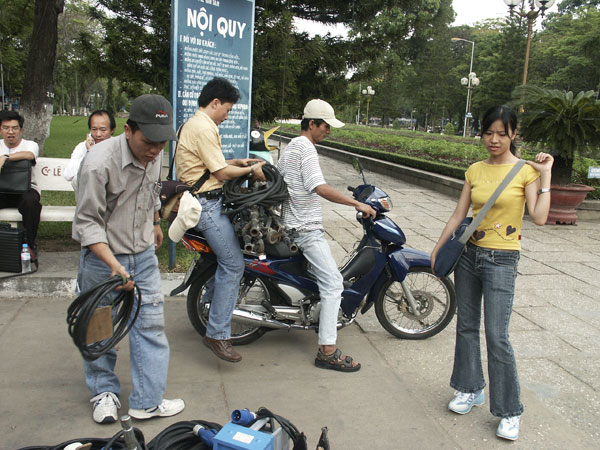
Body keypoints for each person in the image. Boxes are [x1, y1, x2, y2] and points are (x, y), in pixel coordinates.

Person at [430, 105, 553, 441]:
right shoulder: (475, 170)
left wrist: (546, 176)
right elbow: (459, 215)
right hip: (469, 256)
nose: (494, 139)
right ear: (482, 133)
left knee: (497, 336)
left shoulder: (525, 172)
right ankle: (470, 389)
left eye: (502, 133)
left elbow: (539, 217)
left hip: (502, 260)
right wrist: (439, 247)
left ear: (514, 134)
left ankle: (509, 411)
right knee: (466, 326)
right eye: (489, 132)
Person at [73, 94, 184, 424]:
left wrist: (153, 223)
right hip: (102, 260)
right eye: (148, 141)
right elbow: (87, 223)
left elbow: (152, 190)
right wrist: (113, 264)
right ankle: (103, 392)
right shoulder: (97, 163)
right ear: (128, 130)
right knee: (100, 328)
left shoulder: (154, 154)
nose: (154, 150)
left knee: (150, 327)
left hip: (144, 256)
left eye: (161, 143)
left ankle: (147, 401)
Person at [276, 99, 376, 372]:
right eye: (326, 126)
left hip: (291, 225)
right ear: (312, 124)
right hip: (305, 229)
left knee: (322, 279)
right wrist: (356, 203)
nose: (328, 132)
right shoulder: (306, 149)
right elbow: (319, 187)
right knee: (334, 284)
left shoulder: (292, 147)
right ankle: (327, 350)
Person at [175, 77, 265, 363]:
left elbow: (215, 166)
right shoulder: (203, 127)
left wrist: (238, 163)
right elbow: (221, 174)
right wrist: (253, 170)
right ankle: (217, 333)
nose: (227, 116)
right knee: (234, 264)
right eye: (226, 109)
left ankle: (212, 308)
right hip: (207, 207)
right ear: (215, 103)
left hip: (206, 202)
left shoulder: (196, 124)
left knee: (226, 261)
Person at [0, 110, 42, 267]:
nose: (11, 132)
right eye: (6, 128)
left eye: (14, 128)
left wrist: (5, 157)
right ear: (1, 130)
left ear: (21, 130)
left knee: (31, 202)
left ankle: (30, 245)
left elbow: (30, 155)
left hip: (25, 190)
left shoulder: (30, 145)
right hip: (3, 191)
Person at [63, 109, 116, 189]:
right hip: (89, 194)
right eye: (94, 129)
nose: (98, 134)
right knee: (76, 180)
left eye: (103, 130)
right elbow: (68, 174)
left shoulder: (118, 147)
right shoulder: (82, 147)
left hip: (113, 194)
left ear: (112, 130)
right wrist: (90, 153)